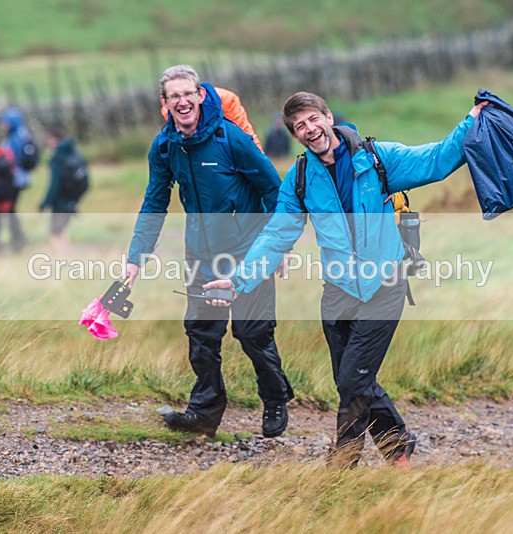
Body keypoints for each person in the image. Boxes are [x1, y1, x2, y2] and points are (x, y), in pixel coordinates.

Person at [204, 91, 488, 468]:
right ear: (295, 134)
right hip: (337, 294)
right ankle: (398, 449)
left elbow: (436, 160)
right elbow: (276, 236)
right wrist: (239, 281)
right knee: (354, 381)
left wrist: (471, 120)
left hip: (383, 286)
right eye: (299, 126)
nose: (309, 129)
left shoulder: (376, 159)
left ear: (328, 116)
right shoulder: (300, 178)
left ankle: (341, 469)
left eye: (312, 119)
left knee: (353, 383)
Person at [124, 65, 294, 438]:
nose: (183, 101)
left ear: (201, 95)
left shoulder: (232, 140)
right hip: (201, 255)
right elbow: (154, 201)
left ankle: (276, 397)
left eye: (189, 94)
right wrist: (137, 257)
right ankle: (204, 413)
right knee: (201, 334)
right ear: (165, 104)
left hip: (249, 253)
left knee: (253, 333)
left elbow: (274, 190)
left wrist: (278, 247)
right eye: (174, 97)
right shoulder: (165, 147)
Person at [40, 126, 87, 253]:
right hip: (72, 200)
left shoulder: (57, 158)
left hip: (60, 201)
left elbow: (54, 184)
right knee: (62, 229)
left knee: (54, 232)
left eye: (48, 139)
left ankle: (61, 260)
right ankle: (68, 255)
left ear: (53, 139)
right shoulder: (74, 152)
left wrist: (44, 203)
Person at [0, 107, 33, 251]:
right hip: (20, 179)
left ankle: (18, 239)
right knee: (10, 209)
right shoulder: (23, 135)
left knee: (9, 209)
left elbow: (11, 160)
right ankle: (17, 238)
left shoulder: (15, 139)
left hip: (14, 180)